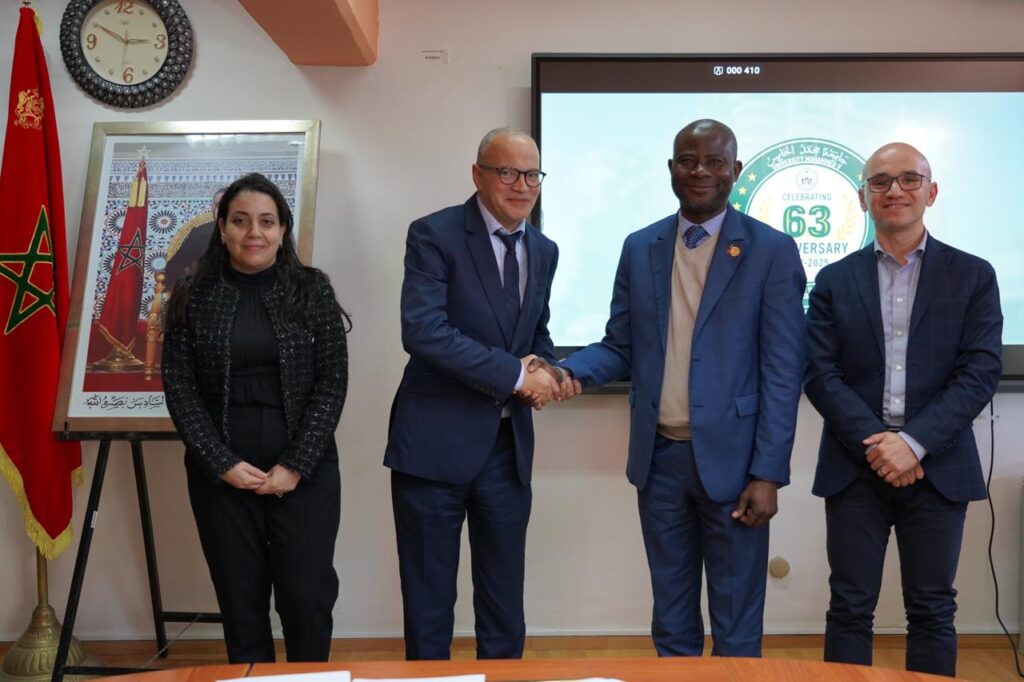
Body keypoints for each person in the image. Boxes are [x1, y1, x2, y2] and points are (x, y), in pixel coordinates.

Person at [553, 119, 806, 656]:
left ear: (736, 171)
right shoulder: (640, 245)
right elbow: (619, 344)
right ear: (671, 168)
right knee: (670, 617)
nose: (700, 172)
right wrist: (566, 372)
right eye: (688, 160)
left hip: (737, 467)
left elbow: (784, 371)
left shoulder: (771, 250)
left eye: (715, 162)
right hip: (660, 461)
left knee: (736, 622)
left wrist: (769, 474)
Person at [804, 143, 1002, 677]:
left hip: (939, 468)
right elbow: (820, 375)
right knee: (848, 608)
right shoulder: (832, 281)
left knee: (933, 609)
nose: (895, 190)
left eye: (909, 179)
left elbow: (979, 372)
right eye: (881, 181)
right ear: (865, 196)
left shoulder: (974, 276)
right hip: (855, 467)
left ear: (931, 192)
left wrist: (911, 443)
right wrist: (880, 443)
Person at [384, 127, 561, 660]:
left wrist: (550, 371)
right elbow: (423, 331)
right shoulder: (434, 234)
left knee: (505, 603)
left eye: (532, 174)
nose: (522, 185)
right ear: (478, 174)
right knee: (429, 601)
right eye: (508, 172)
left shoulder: (545, 249)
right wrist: (513, 374)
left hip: (507, 452)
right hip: (433, 448)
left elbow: (536, 337)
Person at [162, 173, 350, 663]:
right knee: (241, 602)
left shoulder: (311, 291)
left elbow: (332, 383)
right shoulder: (192, 295)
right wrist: (220, 461)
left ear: (283, 229)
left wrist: (296, 465)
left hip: (303, 469)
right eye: (241, 221)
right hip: (222, 471)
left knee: (307, 598)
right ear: (222, 229)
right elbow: (179, 388)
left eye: (267, 222)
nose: (254, 233)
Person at [164, 187, 225, 286]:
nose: (221, 209)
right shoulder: (199, 234)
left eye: (225, 205)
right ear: (213, 208)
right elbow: (172, 269)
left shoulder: (246, 233)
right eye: (217, 205)